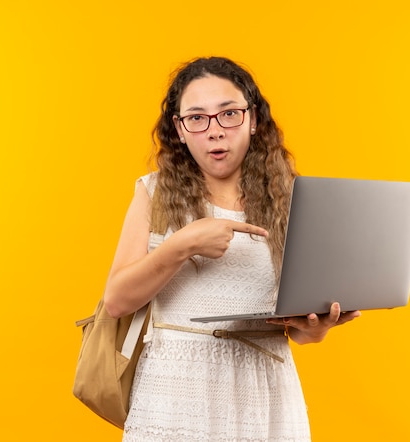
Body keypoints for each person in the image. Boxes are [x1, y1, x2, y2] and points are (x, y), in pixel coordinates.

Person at [103, 56, 361, 441]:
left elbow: (299, 333)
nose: (215, 131)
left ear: (253, 119)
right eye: (197, 118)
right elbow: (116, 301)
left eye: (229, 114)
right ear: (179, 128)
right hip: (175, 390)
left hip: (265, 391)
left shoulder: (291, 199)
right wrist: (183, 243)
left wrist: (316, 327)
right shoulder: (153, 192)